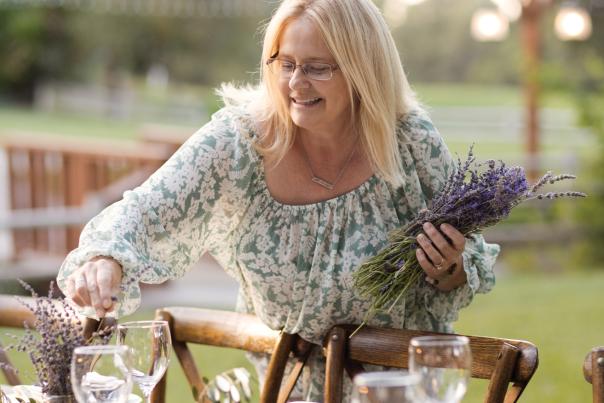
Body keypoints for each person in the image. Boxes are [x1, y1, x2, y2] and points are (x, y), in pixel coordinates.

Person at [57, 0, 499, 400]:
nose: (295, 83)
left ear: (363, 68)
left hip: (397, 391)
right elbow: (145, 209)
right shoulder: (240, 141)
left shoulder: (410, 142)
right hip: (283, 392)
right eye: (285, 63)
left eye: (317, 67)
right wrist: (105, 257)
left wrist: (449, 268)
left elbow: (466, 264)